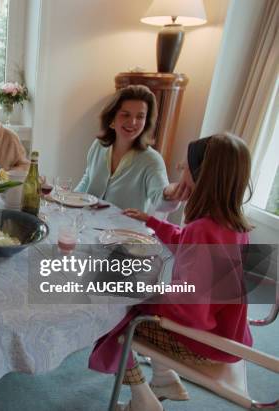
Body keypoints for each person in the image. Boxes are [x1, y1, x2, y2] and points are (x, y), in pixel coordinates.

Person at [89, 133, 253, 411]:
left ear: (204, 176)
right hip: (230, 337)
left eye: (186, 167)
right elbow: (187, 242)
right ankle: (164, 378)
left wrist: (145, 292)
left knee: (114, 316)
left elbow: (189, 309)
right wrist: (153, 222)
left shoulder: (202, 230)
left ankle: (143, 400)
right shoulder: (232, 226)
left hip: (205, 343)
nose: (180, 167)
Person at [74, 85, 189, 213]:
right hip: (87, 225)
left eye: (140, 117)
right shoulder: (98, 145)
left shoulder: (151, 160)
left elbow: (160, 201)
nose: (133, 122)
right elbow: (87, 180)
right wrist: (68, 201)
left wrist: (169, 193)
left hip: (124, 231)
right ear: (112, 117)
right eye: (125, 115)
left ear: (146, 121)